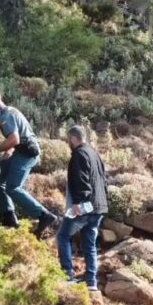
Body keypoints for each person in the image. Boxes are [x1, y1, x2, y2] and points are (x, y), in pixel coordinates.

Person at [0, 88, 57, 239]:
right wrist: (5, 154)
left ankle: (44, 215)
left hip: (26, 152)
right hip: (20, 151)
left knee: (13, 187)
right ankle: (10, 218)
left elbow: (14, 139)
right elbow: (14, 141)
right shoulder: (7, 112)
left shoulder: (5, 115)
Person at [56, 125, 108, 292]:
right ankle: (91, 281)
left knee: (63, 236)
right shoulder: (94, 153)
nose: (67, 143)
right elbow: (103, 180)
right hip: (99, 206)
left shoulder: (78, 155)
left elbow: (81, 181)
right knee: (89, 243)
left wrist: (79, 205)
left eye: (68, 140)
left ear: (72, 138)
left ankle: (67, 275)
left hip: (85, 206)